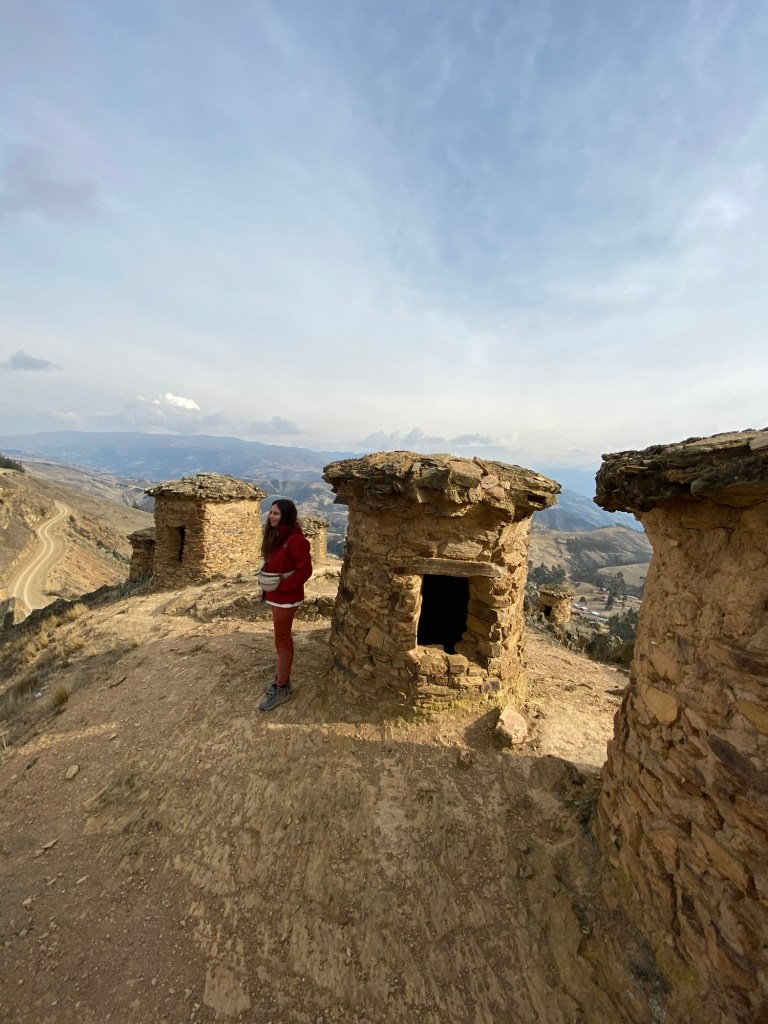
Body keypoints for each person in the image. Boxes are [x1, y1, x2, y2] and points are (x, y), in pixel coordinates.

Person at [258, 498, 313, 711]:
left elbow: (304, 571)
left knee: (281, 641)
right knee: (283, 639)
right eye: (271, 512)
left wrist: (282, 586)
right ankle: (281, 679)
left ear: (286, 516)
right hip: (277, 597)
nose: (271, 516)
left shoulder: (296, 540)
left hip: (286, 599)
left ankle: (282, 687)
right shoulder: (278, 537)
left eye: (276, 513)